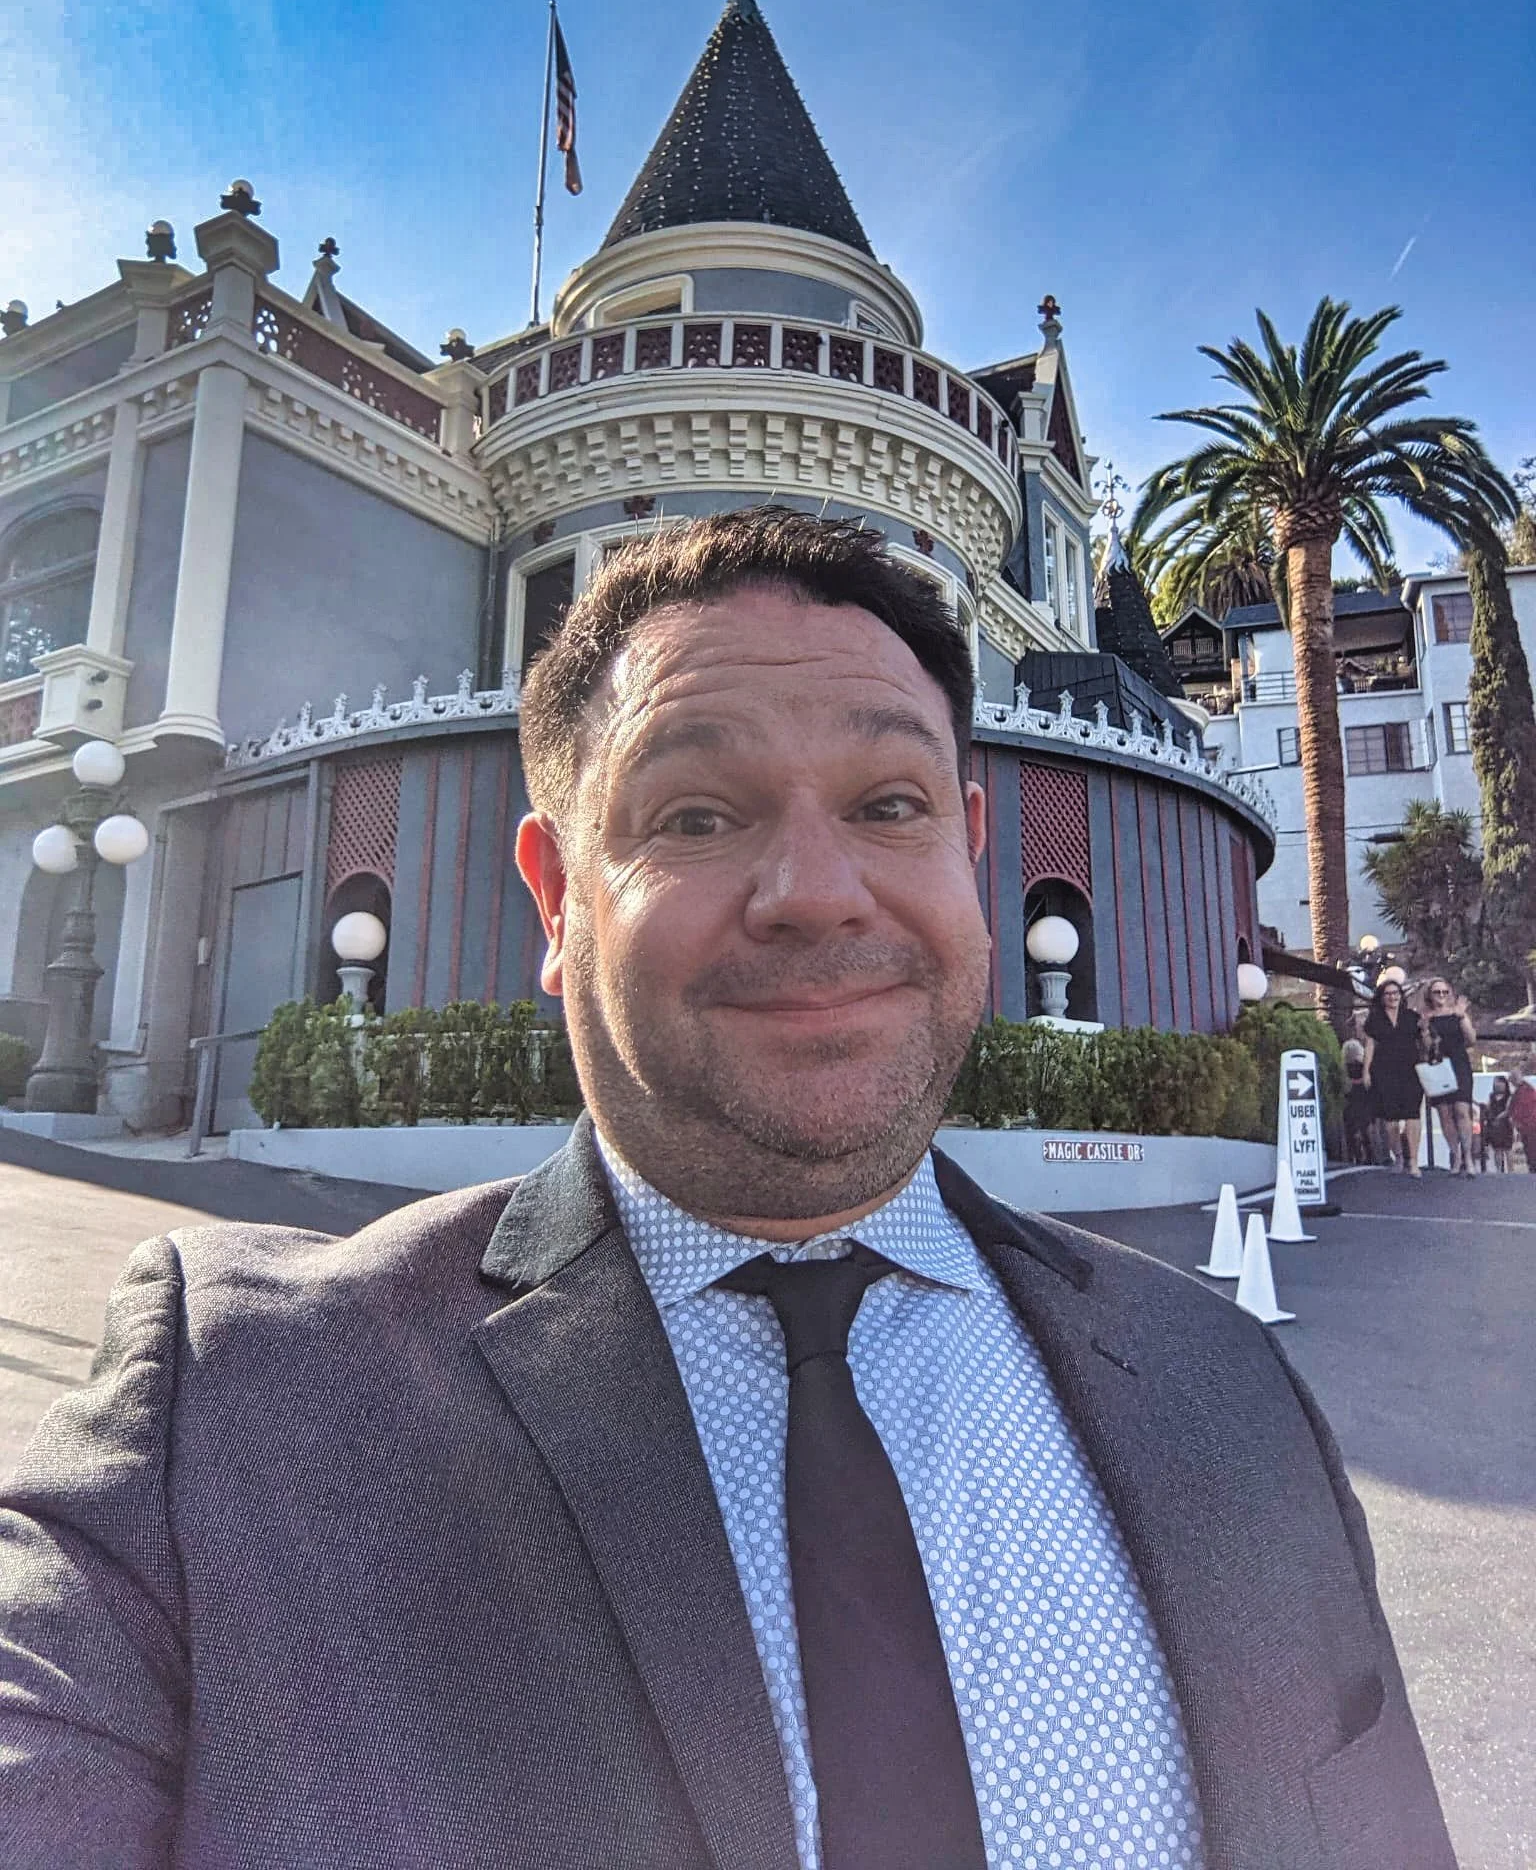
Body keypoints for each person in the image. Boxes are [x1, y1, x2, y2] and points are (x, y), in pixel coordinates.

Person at [0, 508, 1454, 1869]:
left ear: (971, 855)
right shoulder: (235, 1415)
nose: (818, 891)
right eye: (696, 817)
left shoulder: (1225, 1387)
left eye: (889, 802)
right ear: (560, 902)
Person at [1362, 976, 1428, 1176]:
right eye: (1388, 994)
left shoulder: (1412, 1017)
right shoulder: (1375, 1019)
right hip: (1384, 1070)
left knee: (1412, 1115)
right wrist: (1366, 1070)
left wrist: (1425, 1031)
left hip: (1410, 1069)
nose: (1393, 997)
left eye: (1396, 993)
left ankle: (1414, 1161)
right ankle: (1398, 1156)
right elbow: (1370, 1045)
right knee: (1390, 1120)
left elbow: (1425, 1046)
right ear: (1382, 997)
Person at [1421, 977, 1477, 1174]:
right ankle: (1456, 1156)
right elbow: (1427, 1048)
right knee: (1445, 1113)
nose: (1442, 996)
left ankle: (1469, 1158)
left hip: (1459, 1063)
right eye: (1437, 992)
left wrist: (1462, 1017)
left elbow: (1471, 1040)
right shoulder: (1427, 1017)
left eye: (1445, 992)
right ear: (1430, 995)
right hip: (1438, 1065)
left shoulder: (1458, 1013)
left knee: (1462, 1110)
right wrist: (1425, 1030)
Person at [1341, 1012, 1378, 1166]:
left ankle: (1369, 1154)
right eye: (1359, 1026)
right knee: (1359, 1124)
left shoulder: (1373, 1043)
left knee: (1366, 1124)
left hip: (1368, 1089)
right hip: (1356, 1089)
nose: (1361, 1029)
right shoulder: (1352, 1046)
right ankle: (1360, 1155)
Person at [1481, 1075, 1515, 1174]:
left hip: (1505, 1124)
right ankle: (1499, 1170)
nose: (1498, 1085)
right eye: (1496, 1082)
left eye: (1500, 1082)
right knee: (1497, 1149)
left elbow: (1508, 1110)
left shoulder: (1509, 1096)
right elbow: (1488, 1107)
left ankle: (1511, 1171)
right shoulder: (1491, 1096)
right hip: (1493, 1126)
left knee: (1508, 1149)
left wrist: (1500, 1117)